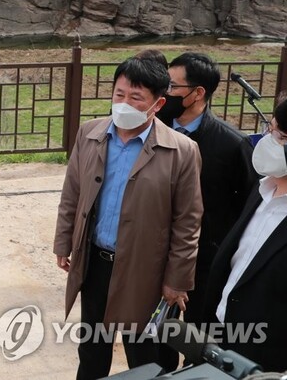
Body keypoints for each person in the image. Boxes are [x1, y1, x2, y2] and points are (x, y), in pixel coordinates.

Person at [53, 56, 203, 380]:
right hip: (95, 261)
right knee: (92, 348)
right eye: (119, 94)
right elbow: (72, 194)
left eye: (135, 98)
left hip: (145, 271)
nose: (124, 103)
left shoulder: (182, 151)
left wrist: (176, 280)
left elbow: (188, 222)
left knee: (143, 355)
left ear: (158, 103)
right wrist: (64, 242)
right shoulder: (91, 133)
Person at [156, 53, 257, 327]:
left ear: (198, 93)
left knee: (198, 338)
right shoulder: (153, 132)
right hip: (155, 254)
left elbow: (247, 208)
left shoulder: (233, 145)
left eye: (173, 87)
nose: (166, 93)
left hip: (206, 262)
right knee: (154, 341)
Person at [202, 97, 287, 372]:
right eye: (270, 129)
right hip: (221, 337)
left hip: (266, 361)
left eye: (281, 137)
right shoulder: (261, 191)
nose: (269, 140)